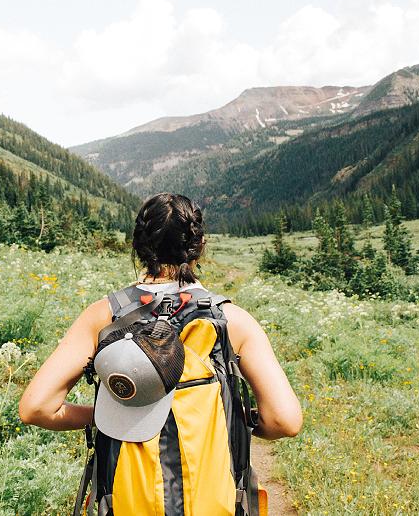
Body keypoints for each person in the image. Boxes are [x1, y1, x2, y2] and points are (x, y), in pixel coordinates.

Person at [19, 192, 302, 513]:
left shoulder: (104, 316)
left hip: (126, 503)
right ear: (200, 246)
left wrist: (102, 416)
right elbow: (285, 421)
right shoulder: (232, 321)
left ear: (138, 246)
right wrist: (239, 419)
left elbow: (36, 408)